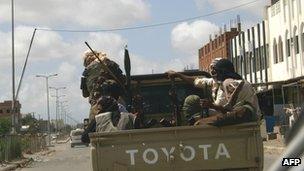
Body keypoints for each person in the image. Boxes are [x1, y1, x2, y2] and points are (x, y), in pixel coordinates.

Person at [167, 58, 260, 126]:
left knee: (199, 122)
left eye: (216, 70)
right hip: (242, 114)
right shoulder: (222, 82)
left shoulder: (229, 83)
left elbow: (227, 109)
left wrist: (210, 106)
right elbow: (196, 81)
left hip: (244, 115)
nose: (213, 72)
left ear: (222, 71)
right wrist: (178, 74)